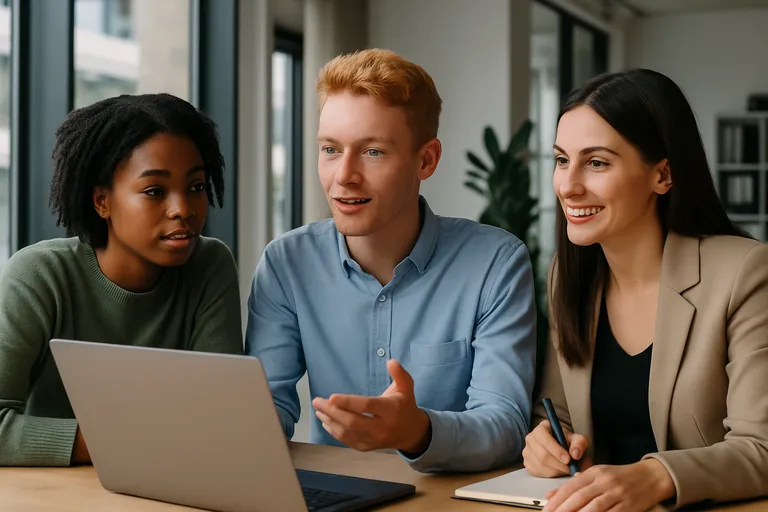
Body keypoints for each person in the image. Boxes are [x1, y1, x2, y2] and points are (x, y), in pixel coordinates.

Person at [245, 49, 537, 473]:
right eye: (330, 149)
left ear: (426, 160)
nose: (344, 175)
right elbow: (266, 407)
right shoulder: (286, 264)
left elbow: (506, 425)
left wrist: (417, 432)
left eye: (373, 152)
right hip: (335, 497)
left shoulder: (496, 264)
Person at [522, 69, 768, 512]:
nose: (568, 185)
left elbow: (761, 447)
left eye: (596, 162)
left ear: (663, 175)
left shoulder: (744, 272)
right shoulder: (569, 272)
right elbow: (555, 413)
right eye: (561, 160)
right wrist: (544, 443)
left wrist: (655, 477)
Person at [0, 93, 244, 467]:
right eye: (155, 191)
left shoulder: (209, 265)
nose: (183, 209)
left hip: (167, 487)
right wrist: (113, 441)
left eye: (195, 187)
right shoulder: (37, 276)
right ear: (102, 202)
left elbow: (220, 418)